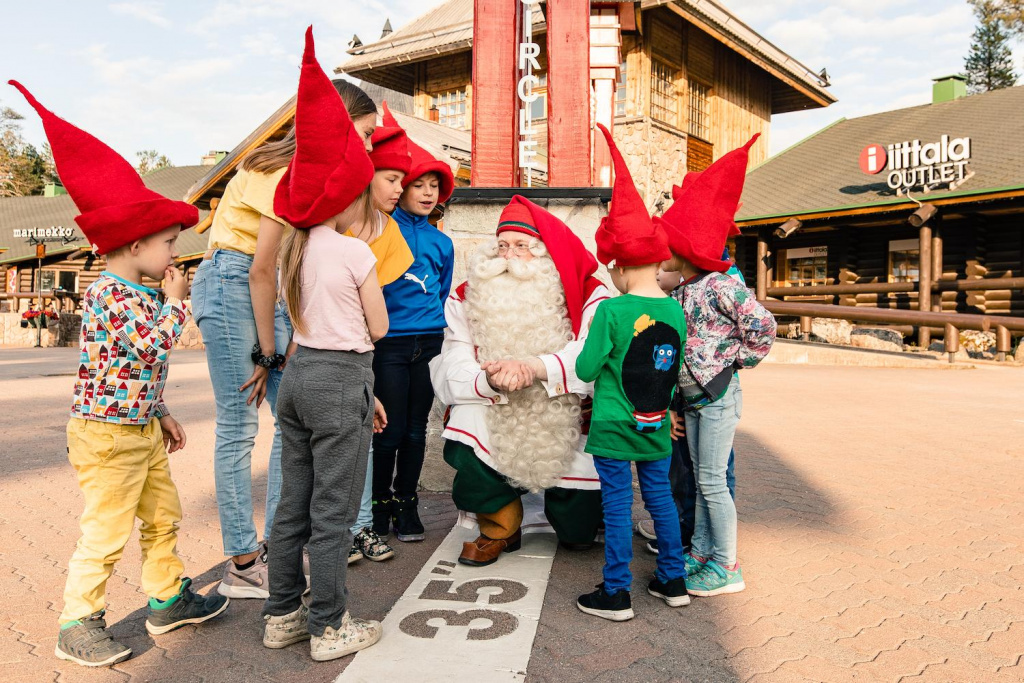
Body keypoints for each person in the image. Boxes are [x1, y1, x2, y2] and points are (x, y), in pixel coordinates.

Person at [10, 80, 229, 667]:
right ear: (134, 242)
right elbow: (152, 346)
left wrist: (159, 410)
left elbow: (129, 365)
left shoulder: (132, 288)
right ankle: (77, 621)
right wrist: (178, 301)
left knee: (163, 515)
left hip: (135, 425)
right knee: (106, 532)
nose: (173, 255)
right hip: (106, 434)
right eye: (167, 243)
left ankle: (166, 598)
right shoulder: (114, 293)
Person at [192, 78, 379, 598]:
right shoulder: (279, 169)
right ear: (340, 123)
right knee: (239, 422)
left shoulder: (306, 173)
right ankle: (243, 558)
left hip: (263, 290)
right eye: (364, 133)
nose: (367, 145)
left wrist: (281, 345)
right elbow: (261, 267)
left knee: (290, 419)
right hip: (235, 283)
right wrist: (267, 353)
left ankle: (278, 547)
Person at [260, 27, 385, 662]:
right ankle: (329, 625)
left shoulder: (292, 250)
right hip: (342, 378)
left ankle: (281, 611)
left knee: (292, 504)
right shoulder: (355, 251)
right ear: (347, 195)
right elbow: (379, 328)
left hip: (302, 375)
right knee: (334, 512)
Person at [430, 195, 608, 567]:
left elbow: (591, 355)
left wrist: (534, 366)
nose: (508, 256)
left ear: (544, 253)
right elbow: (453, 361)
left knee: (578, 534)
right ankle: (500, 526)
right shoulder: (466, 296)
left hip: (566, 409)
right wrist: (488, 382)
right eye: (502, 246)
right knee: (462, 426)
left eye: (521, 246)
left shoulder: (589, 292)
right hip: (494, 404)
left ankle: (572, 515)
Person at [574, 125, 689, 621]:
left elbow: (583, 366)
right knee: (660, 497)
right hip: (657, 423)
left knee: (618, 504)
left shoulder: (611, 311)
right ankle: (674, 578)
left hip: (615, 424)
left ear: (619, 266)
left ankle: (617, 591)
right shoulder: (677, 311)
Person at [654, 134, 777, 597]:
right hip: (692, 398)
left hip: (717, 394)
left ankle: (727, 565)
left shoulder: (722, 286)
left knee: (710, 479)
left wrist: (736, 362)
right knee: (703, 478)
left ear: (686, 249)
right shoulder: (683, 290)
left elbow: (763, 325)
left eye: (668, 246)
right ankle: (702, 552)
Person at [371, 103, 456, 544]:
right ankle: (379, 502)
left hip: (430, 343)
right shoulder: (380, 229)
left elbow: (440, 292)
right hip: (389, 343)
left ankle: (407, 502)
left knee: (418, 429)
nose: (426, 193)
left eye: (433, 186)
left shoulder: (442, 242)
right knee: (388, 429)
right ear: (399, 188)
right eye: (417, 184)